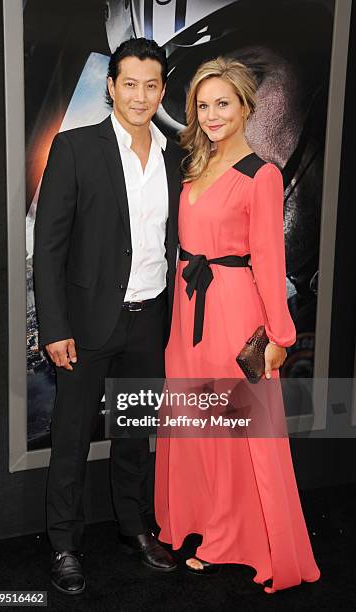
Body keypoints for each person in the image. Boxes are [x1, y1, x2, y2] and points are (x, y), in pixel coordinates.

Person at [154, 57, 321, 593]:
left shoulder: (262, 175)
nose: (211, 115)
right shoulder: (194, 168)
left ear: (246, 106)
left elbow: (270, 264)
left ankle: (232, 539)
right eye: (202, 105)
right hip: (186, 315)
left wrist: (280, 338)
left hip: (233, 314)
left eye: (222, 103)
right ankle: (196, 524)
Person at [33, 37, 182, 595]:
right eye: (130, 84)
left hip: (150, 321)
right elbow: (48, 247)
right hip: (87, 323)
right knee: (70, 437)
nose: (140, 96)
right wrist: (55, 327)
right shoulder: (74, 148)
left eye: (151, 85)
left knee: (135, 434)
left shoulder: (176, 155)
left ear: (162, 90)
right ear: (112, 87)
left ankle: (134, 528)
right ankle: (65, 545)